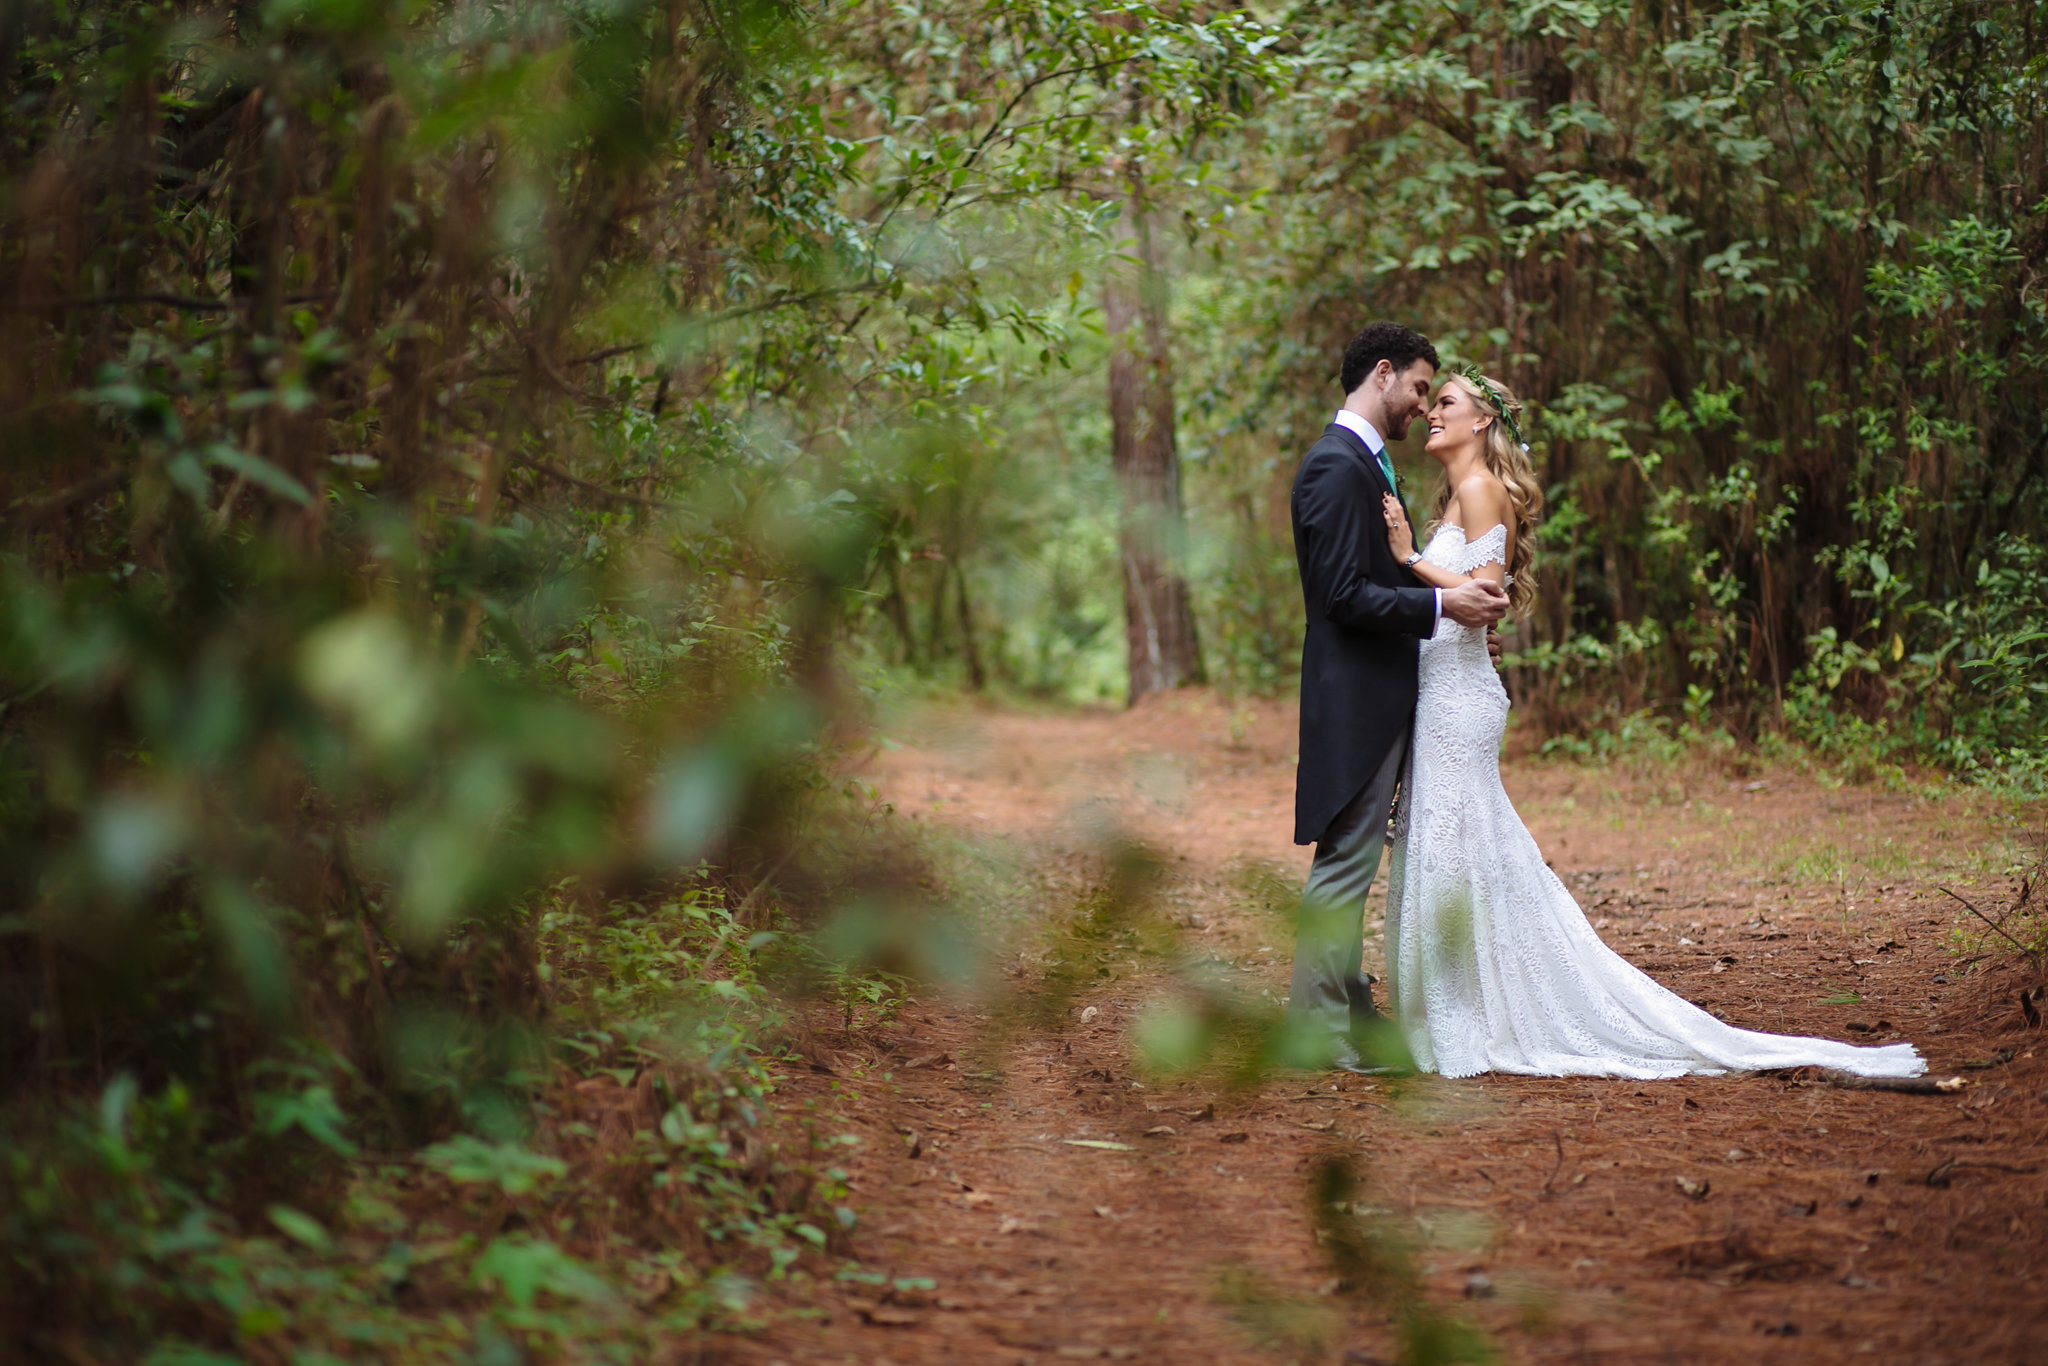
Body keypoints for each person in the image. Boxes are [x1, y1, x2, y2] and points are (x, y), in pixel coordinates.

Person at [1376, 366, 1925, 1079]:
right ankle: (1463, 1009)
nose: (1431, 415)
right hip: (1449, 694)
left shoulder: (1480, 490)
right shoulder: (1461, 494)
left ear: (1481, 422)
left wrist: (1409, 559)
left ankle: (1469, 1020)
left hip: (1461, 701)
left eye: (1445, 403)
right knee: (1461, 849)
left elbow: (1487, 596)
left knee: (1457, 850)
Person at [1285, 322, 1509, 1074]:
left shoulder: (1365, 465)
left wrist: (1456, 614)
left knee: (1351, 864)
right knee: (1344, 866)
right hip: (1355, 700)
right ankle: (1319, 1034)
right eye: (1419, 387)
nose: (1422, 406)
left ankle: (1348, 1017)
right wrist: (1445, 610)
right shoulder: (1335, 468)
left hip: (1389, 696)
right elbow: (1344, 596)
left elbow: (1387, 577)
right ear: (1383, 374)